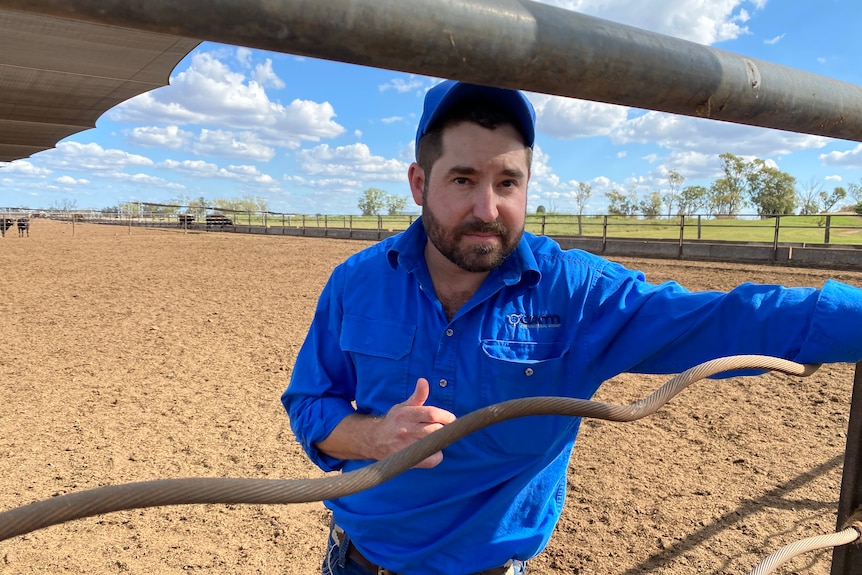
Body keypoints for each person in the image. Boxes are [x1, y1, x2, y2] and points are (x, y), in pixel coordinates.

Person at [281, 79, 862, 575]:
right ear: (418, 183)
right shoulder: (355, 282)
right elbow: (310, 401)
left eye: (507, 183)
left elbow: (726, 319)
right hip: (355, 559)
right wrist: (374, 437)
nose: (487, 208)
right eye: (462, 180)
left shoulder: (579, 293)